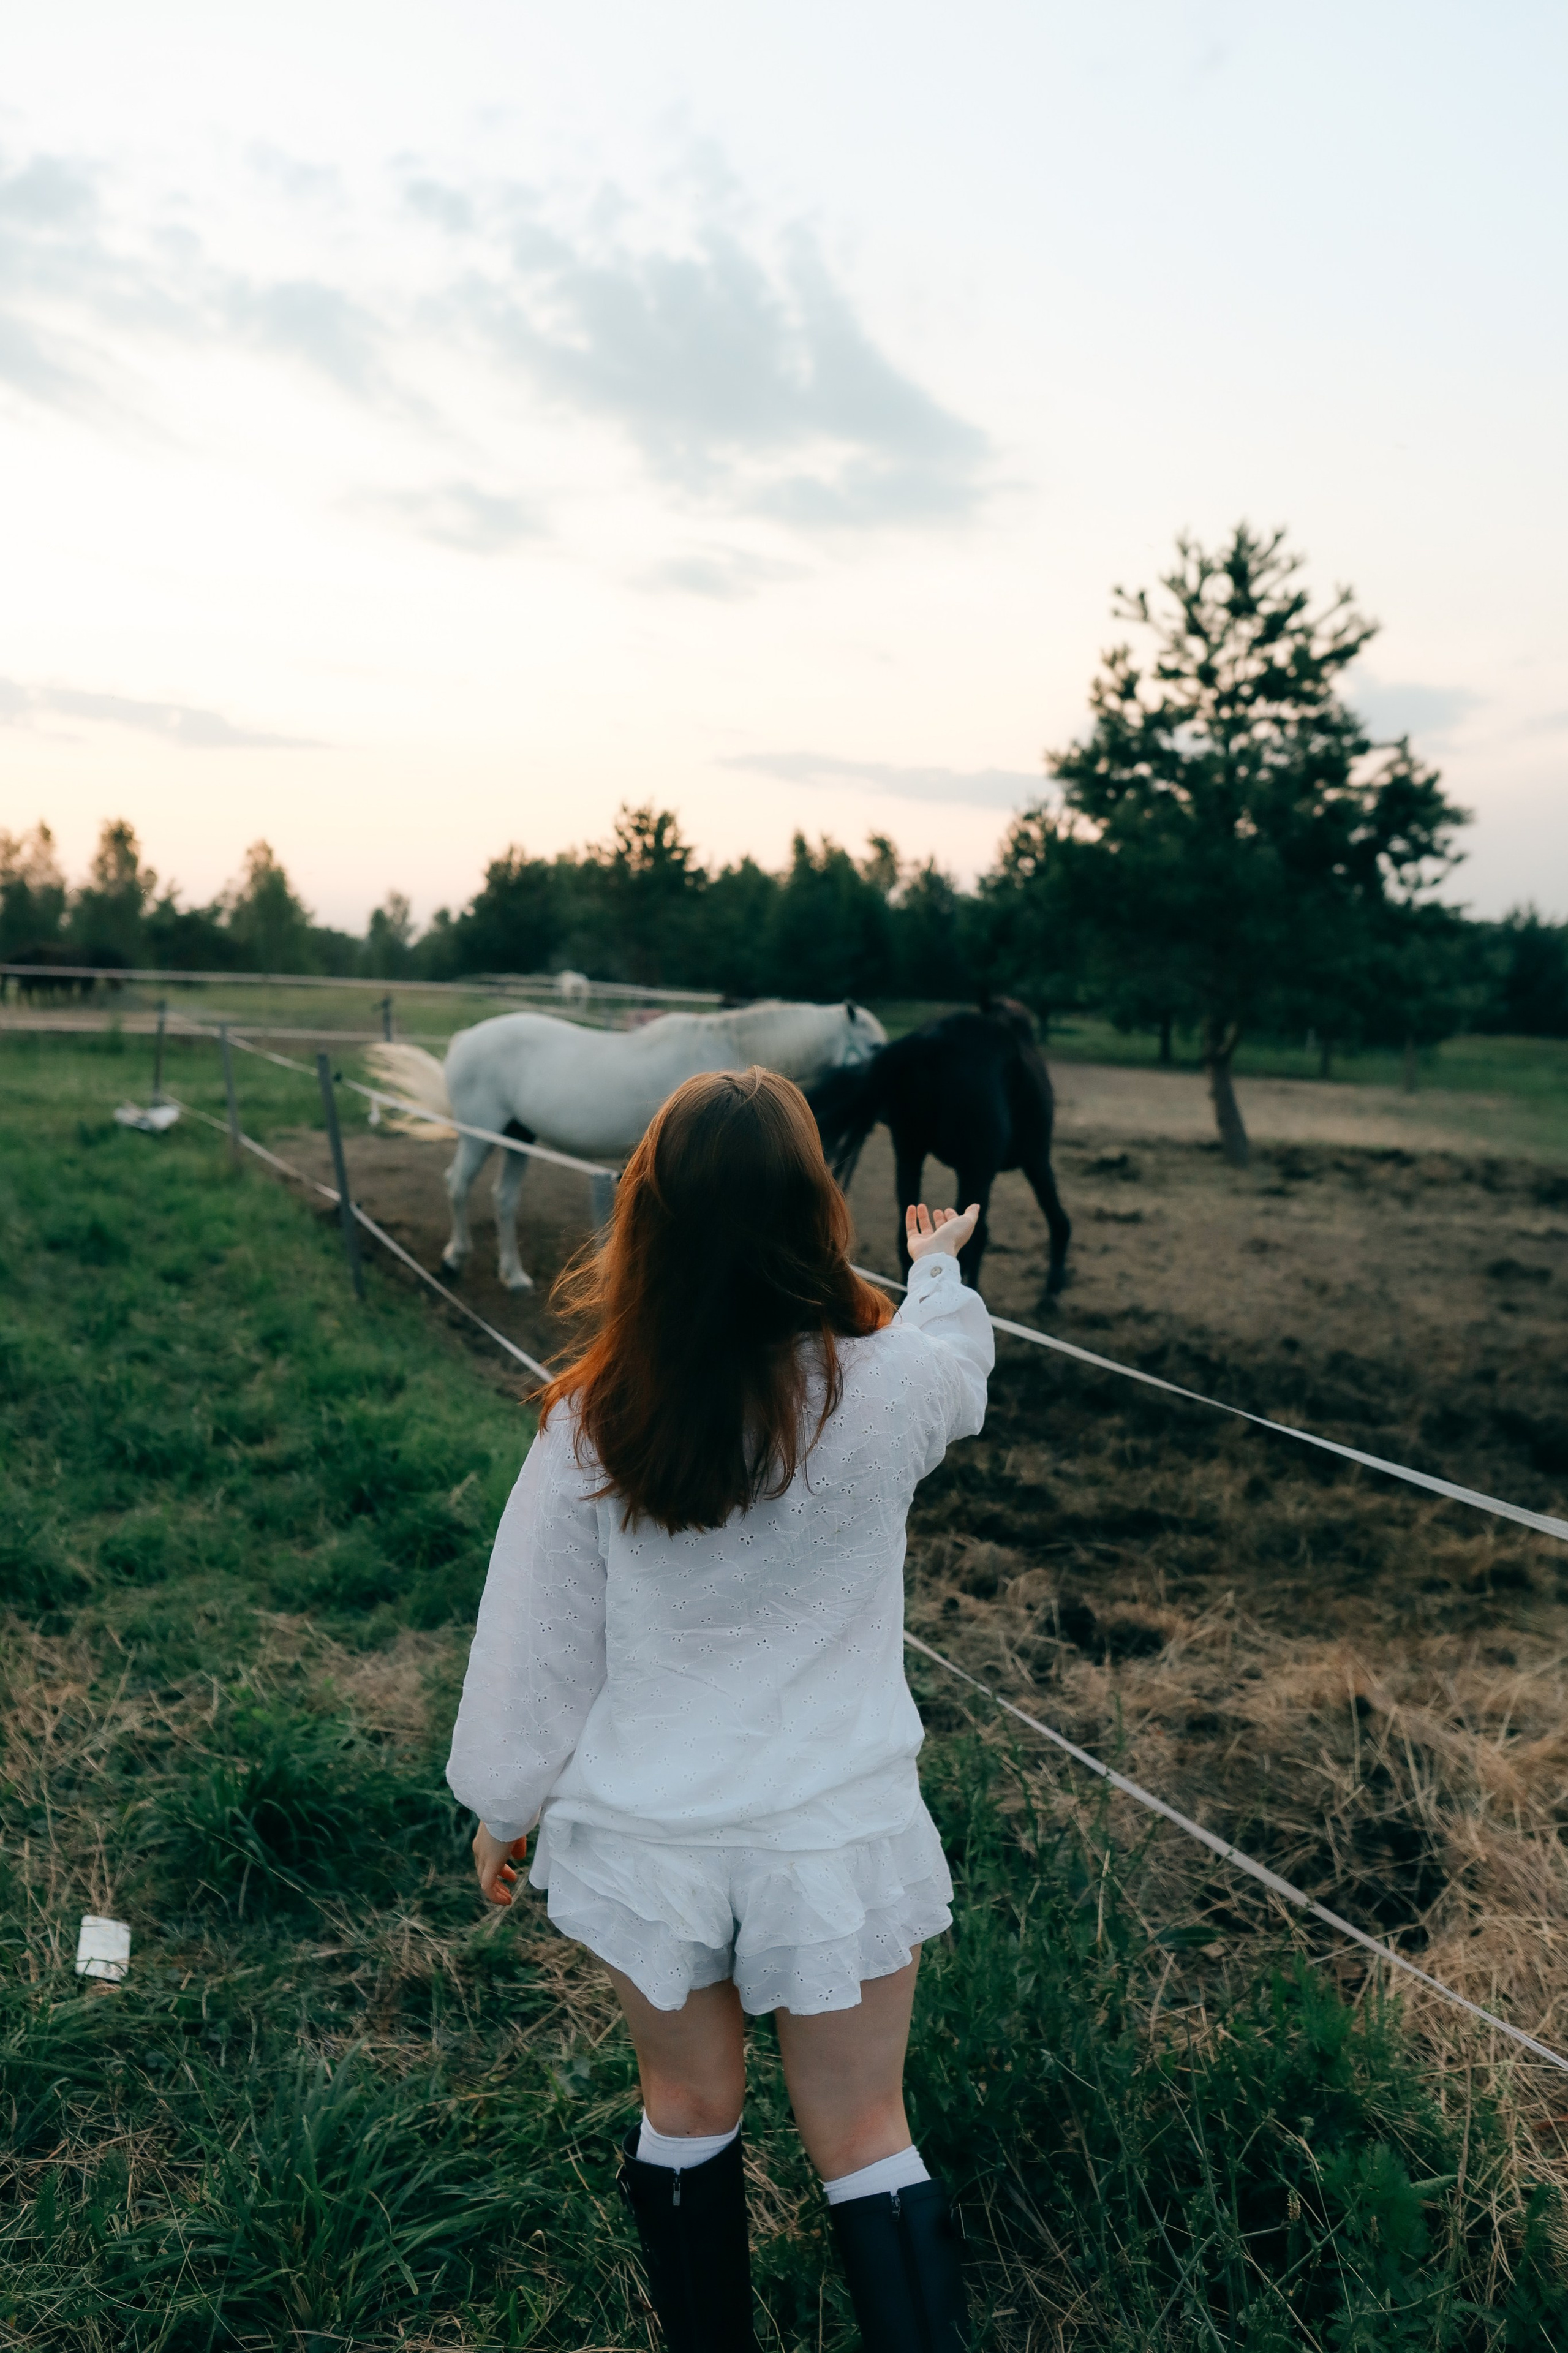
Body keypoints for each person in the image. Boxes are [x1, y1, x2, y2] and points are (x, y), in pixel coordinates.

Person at [447, 1066, 993, 2352]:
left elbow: (538, 1639)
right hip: (833, 1827)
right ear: (816, 1208)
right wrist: (938, 1273)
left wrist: (504, 1805)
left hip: (654, 1835)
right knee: (864, 2132)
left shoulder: (596, 1416)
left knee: (685, 2107)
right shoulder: (887, 1388)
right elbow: (954, 1367)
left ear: (650, 1211)